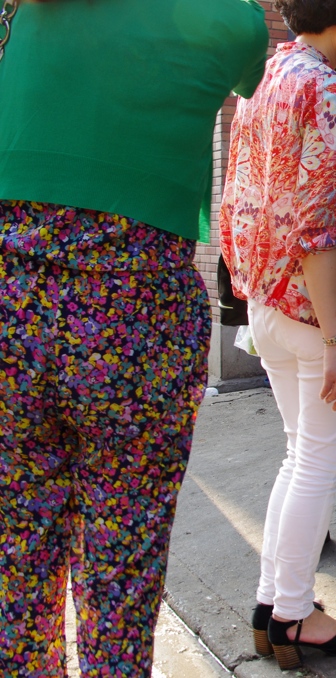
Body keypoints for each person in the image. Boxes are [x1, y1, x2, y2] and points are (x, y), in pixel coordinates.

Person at [0, 1, 268, 675]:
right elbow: (249, 79)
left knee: (18, 544)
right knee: (124, 552)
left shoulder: (38, 10)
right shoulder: (229, 21)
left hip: (14, 301)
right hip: (138, 320)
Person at [219, 0, 336, 670]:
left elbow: (254, 187)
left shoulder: (270, 73)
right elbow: (319, 229)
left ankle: (274, 606)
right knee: (315, 466)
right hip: (317, 310)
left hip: (269, 302)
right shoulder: (327, 87)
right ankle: (295, 615)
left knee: (298, 459)